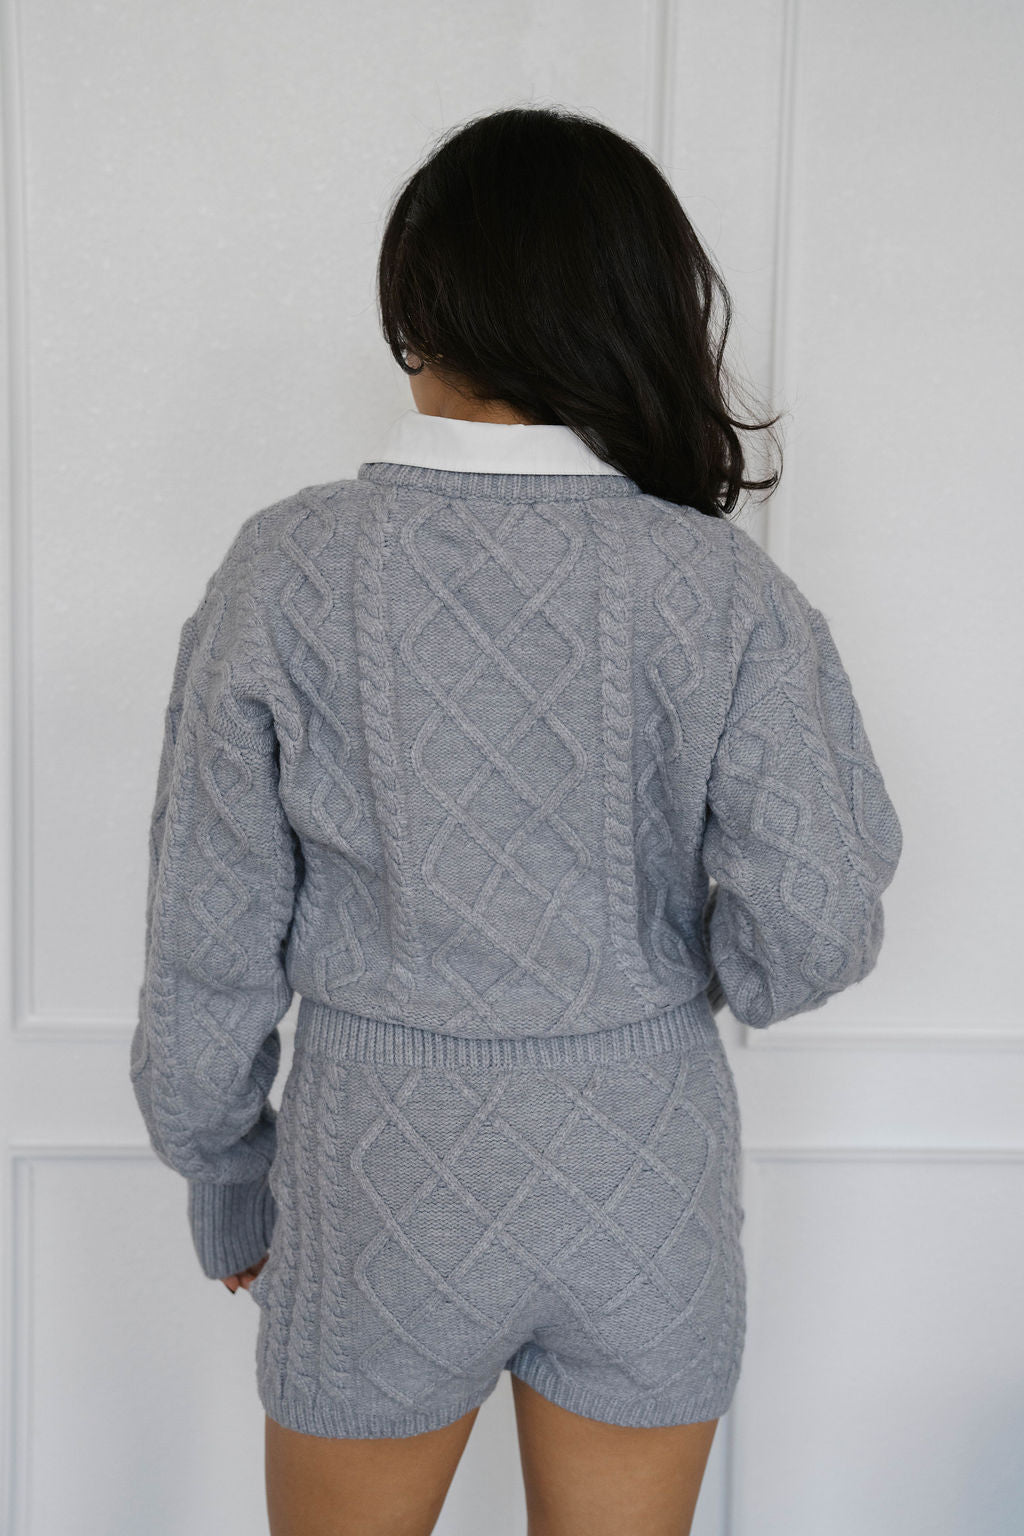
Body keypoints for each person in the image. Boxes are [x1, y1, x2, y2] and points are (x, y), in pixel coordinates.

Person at [130, 105, 902, 1536]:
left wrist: (223, 1170)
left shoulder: (288, 568)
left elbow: (208, 927)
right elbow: (815, 924)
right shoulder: (717, 587)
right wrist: (651, 980)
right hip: (646, 1173)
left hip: (379, 1177)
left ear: (420, 309)